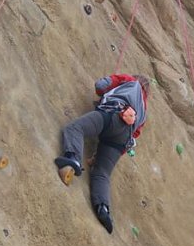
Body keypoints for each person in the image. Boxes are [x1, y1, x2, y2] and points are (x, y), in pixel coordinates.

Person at [54, 73, 149, 234]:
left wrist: (108, 87)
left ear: (136, 78)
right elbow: (133, 136)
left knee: (75, 129)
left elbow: (100, 86)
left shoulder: (128, 80)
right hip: (122, 139)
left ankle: (73, 159)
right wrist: (99, 156)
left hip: (112, 115)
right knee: (102, 172)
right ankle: (103, 209)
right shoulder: (143, 111)